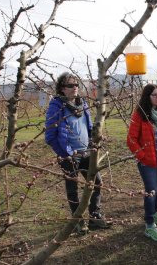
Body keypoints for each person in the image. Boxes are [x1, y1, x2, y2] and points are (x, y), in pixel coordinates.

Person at [45, 72, 110, 235]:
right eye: (70, 85)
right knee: (73, 189)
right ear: (62, 89)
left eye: (76, 85)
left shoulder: (83, 104)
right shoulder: (56, 107)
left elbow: (89, 127)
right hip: (69, 156)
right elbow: (50, 136)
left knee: (96, 183)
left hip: (87, 152)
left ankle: (95, 217)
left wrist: (93, 142)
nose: (75, 88)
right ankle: (78, 221)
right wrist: (65, 153)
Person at [127, 84, 157, 242]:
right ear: (147, 96)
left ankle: (155, 212)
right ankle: (149, 225)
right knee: (151, 191)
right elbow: (131, 139)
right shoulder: (140, 115)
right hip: (148, 161)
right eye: (154, 95)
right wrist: (142, 155)